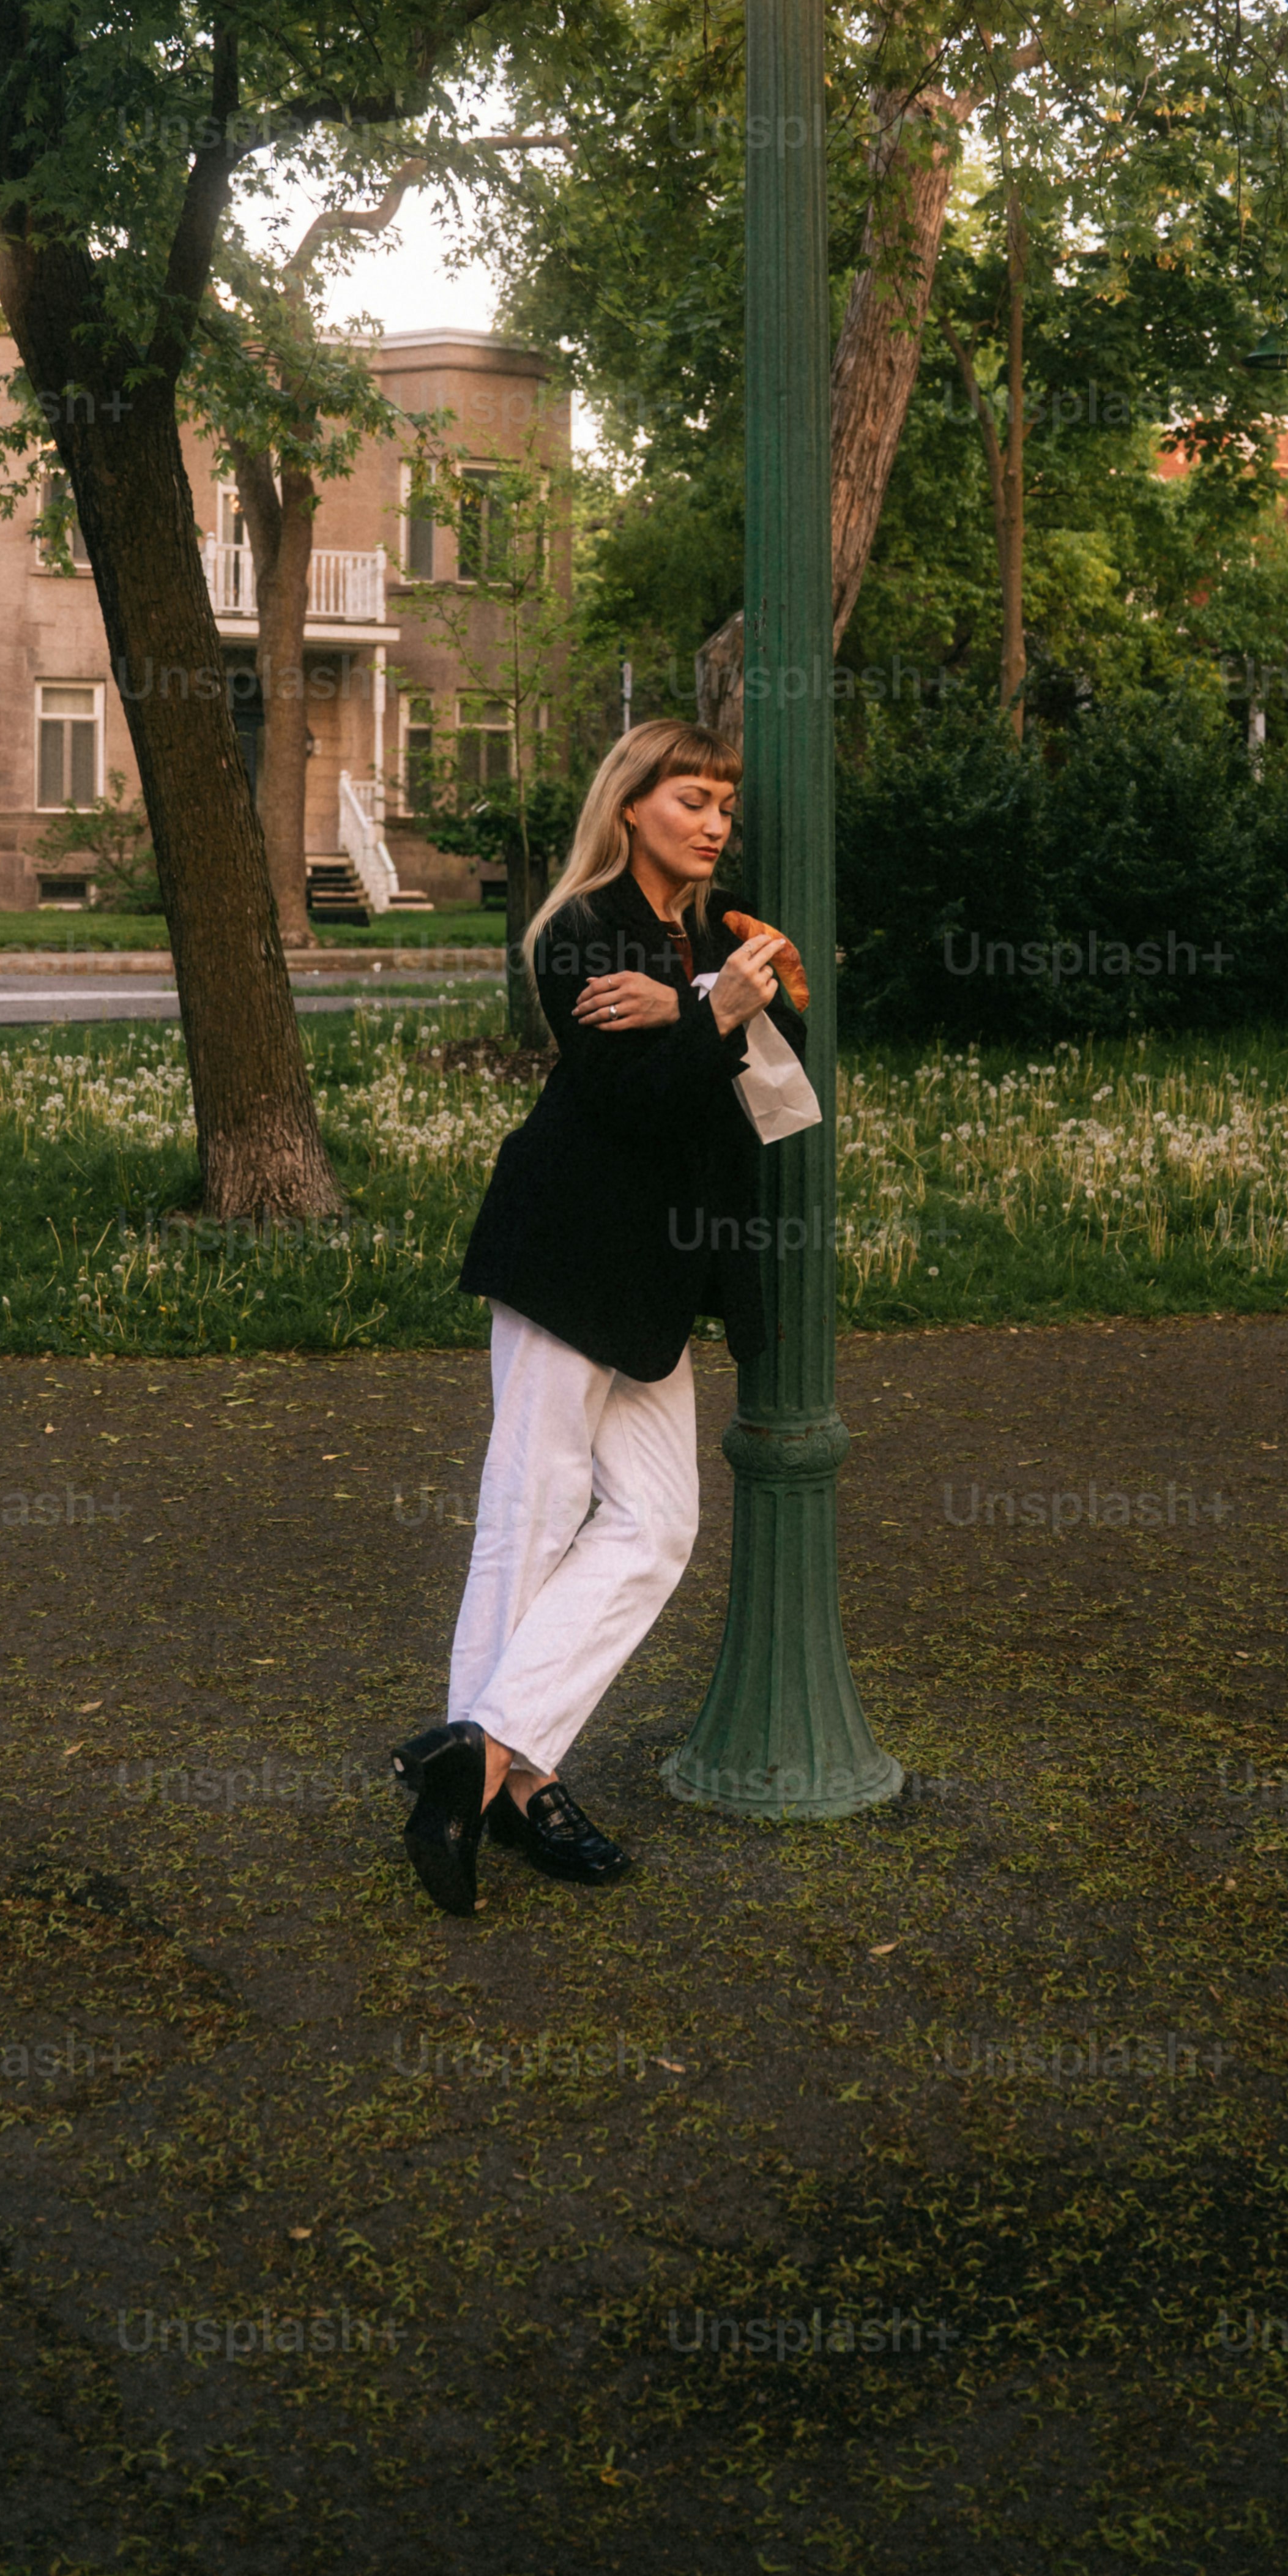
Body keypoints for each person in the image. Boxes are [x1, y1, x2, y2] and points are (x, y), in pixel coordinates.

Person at [389, 718, 805, 1915]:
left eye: (724, 801)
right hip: (569, 1256)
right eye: (689, 797)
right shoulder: (581, 933)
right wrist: (710, 1012)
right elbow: (626, 1111)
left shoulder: (706, 938)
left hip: (659, 1283)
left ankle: (477, 1759)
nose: (712, 821)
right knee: (529, 1517)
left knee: (656, 1531)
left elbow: (780, 1095)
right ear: (630, 807)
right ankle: (511, 1797)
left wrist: (713, 1002)